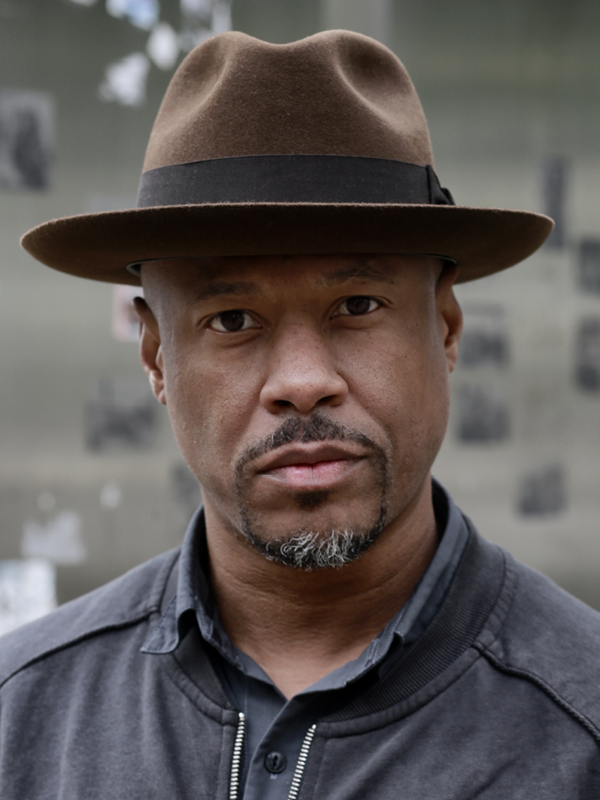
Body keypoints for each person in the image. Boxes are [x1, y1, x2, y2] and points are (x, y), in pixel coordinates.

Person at [2, 30, 599, 800]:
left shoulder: (580, 727)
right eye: (231, 320)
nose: (303, 382)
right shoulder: (24, 720)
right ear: (154, 356)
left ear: (446, 328)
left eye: (359, 305)